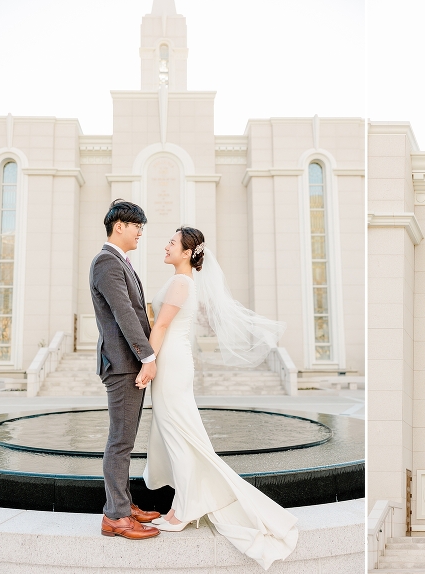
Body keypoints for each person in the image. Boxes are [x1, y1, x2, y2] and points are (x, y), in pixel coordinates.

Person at [138, 226, 298, 571]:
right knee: (176, 434)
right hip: (170, 362)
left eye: (172, 242)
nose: (166, 245)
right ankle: (184, 502)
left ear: (186, 252)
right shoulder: (180, 282)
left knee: (179, 436)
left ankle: (182, 511)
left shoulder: (182, 284)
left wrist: (147, 363)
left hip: (172, 364)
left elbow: (162, 326)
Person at [90, 199, 161, 540]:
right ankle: (115, 516)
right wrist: (148, 357)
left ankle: (123, 504)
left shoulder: (120, 262)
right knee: (120, 441)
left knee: (125, 440)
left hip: (127, 363)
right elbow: (125, 314)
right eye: (138, 227)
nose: (140, 234)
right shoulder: (107, 262)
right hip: (121, 365)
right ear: (120, 226)